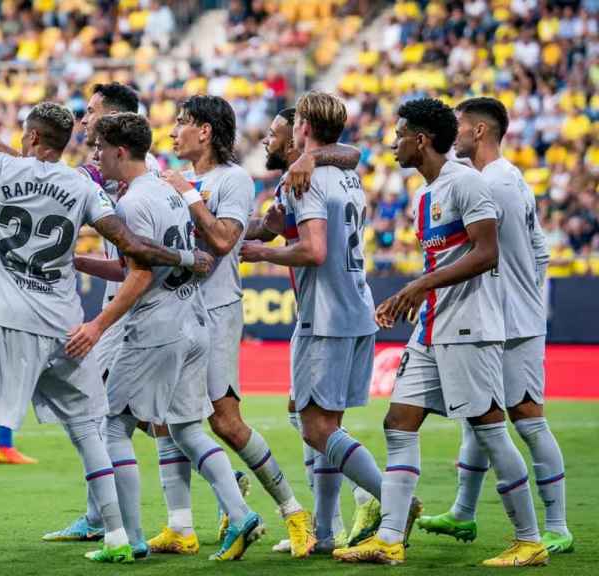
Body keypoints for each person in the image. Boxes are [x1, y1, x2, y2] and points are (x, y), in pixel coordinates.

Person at [0, 53, 212, 565]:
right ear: (65, 142)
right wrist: (186, 255)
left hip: (8, 320)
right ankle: (116, 538)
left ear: (30, 138)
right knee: (91, 429)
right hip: (67, 327)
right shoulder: (82, 185)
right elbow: (132, 244)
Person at [333, 97, 548, 567]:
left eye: (399, 135)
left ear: (421, 140)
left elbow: (486, 252)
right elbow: (444, 261)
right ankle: (390, 537)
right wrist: (416, 296)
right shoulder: (423, 195)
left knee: (490, 430)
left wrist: (418, 285)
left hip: (472, 327)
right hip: (432, 327)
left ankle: (530, 540)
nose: (393, 144)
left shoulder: (467, 184)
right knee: (399, 423)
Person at [150, 95, 360, 557]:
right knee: (163, 419)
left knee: (225, 422)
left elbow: (225, 240)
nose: (173, 131)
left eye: (182, 123)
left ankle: (292, 511)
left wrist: (185, 193)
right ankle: (183, 523)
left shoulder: (232, 179)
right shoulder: (171, 179)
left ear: (205, 131)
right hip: (173, 308)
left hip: (216, 308)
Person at [67, 112, 264, 561]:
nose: (95, 156)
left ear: (119, 151)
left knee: (113, 426)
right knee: (186, 429)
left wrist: (99, 324)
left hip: (156, 326)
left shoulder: (132, 204)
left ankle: (130, 537)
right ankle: (240, 513)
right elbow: (177, 257)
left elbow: (136, 275)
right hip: (193, 320)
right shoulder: (168, 188)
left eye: (99, 148)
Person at [418, 96, 573, 554]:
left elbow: (491, 252)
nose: (455, 134)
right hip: (504, 317)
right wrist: (526, 286)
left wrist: (517, 297)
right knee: (477, 417)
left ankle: (558, 526)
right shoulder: (510, 179)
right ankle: (464, 514)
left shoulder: (492, 184)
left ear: (479, 131)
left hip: (514, 324)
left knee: (528, 420)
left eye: (460, 126)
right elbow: (539, 249)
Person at [240, 92, 384, 555]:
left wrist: (260, 252)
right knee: (321, 422)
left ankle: (390, 501)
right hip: (353, 307)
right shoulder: (346, 174)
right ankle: (324, 533)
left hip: (325, 315)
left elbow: (314, 250)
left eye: (283, 127)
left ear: (301, 125)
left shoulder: (305, 179)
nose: (271, 136)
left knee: (316, 429)